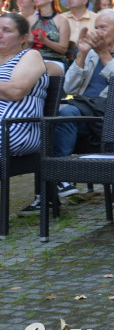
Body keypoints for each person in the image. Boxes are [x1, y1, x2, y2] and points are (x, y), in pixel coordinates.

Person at [51, 10, 114, 198]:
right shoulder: (91, 53)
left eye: (102, 27)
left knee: (66, 113)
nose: (97, 32)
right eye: (96, 28)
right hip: (83, 112)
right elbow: (70, 87)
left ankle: (61, 175)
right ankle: (50, 189)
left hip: (111, 115)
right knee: (51, 122)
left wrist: (104, 53)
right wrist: (81, 54)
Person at [1, 13, 50, 215]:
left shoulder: (30, 56)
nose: (0, 34)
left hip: (17, 129)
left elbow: (16, 91)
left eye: (6, 30)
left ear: (23, 37)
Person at [27, 0, 70, 66]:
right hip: (32, 59)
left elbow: (63, 49)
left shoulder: (62, 20)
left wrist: (44, 41)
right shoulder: (30, 19)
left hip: (54, 60)